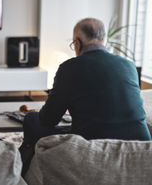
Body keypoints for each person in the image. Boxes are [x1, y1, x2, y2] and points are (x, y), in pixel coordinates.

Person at [19, 17, 151, 174]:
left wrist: (35, 115)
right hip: (142, 147)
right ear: (103, 40)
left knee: (31, 119)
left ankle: (23, 166)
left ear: (77, 43)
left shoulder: (69, 68)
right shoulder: (128, 65)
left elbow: (49, 119)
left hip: (95, 148)